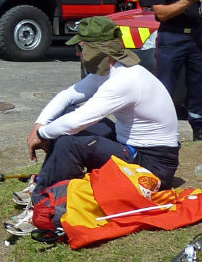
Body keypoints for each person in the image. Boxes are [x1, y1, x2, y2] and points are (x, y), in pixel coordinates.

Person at [9, 16, 180, 236]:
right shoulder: (111, 70)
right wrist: (39, 125)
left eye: (80, 48)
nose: (77, 54)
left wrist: (42, 134)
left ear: (96, 50)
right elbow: (68, 96)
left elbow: (76, 123)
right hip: (132, 147)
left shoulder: (125, 80)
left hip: (153, 166)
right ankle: (47, 181)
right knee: (66, 115)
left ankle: (42, 205)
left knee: (70, 140)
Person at [143, 0, 202, 139]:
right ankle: (162, 130)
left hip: (196, 36)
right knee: (165, 85)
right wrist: (189, 0)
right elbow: (161, 13)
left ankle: (199, 128)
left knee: (198, 84)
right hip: (172, 37)